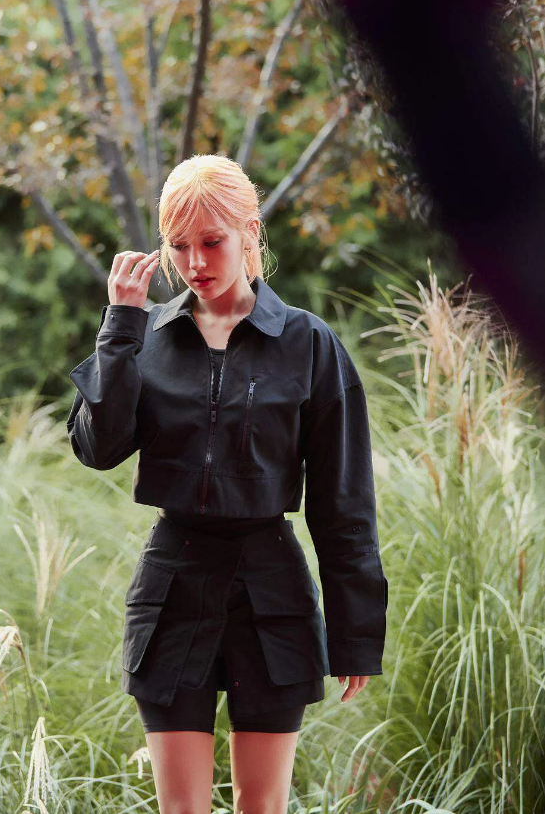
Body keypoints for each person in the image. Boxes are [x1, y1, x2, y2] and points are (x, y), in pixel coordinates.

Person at [67, 154, 388, 813]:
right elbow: (98, 448)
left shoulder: (308, 343)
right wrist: (121, 325)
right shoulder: (146, 337)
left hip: (271, 590)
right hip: (172, 585)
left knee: (260, 807)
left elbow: (344, 500)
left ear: (250, 231)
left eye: (211, 241)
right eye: (178, 245)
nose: (194, 262)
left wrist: (355, 631)